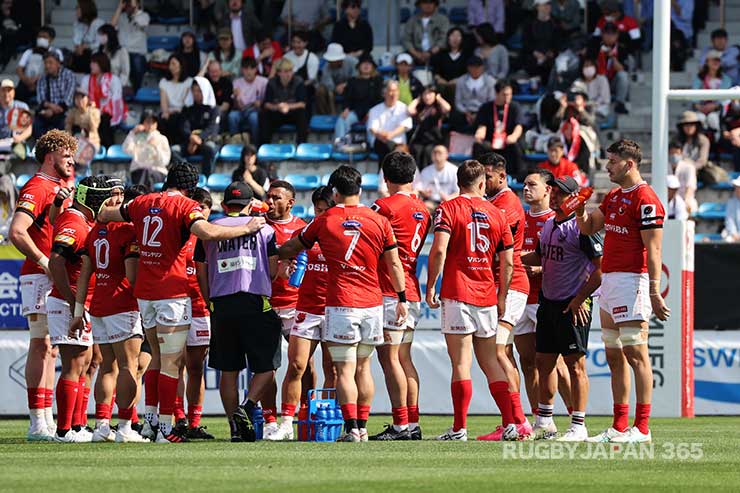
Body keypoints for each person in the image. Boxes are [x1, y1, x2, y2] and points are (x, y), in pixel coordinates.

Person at [97, 162, 267, 443]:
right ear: (189, 187)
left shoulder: (142, 201)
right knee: (171, 364)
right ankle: (166, 428)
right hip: (172, 292)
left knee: (154, 360)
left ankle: (150, 422)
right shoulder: (186, 206)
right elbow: (207, 233)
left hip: (145, 293)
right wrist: (247, 228)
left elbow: (105, 214)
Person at [278, 165, 407, 443]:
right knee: (364, 368)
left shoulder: (326, 219)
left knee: (345, 369)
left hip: (342, 303)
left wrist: (278, 251)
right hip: (372, 303)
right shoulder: (378, 220)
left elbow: (293, 246)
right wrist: (402, 297)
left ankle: (352, 429)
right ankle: (363, 423)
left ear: (334, 193)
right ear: (360, 190)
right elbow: (394, 262)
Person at [576, 139, 670, 444]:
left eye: (612, 161)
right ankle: (618, 426)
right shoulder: (615, 196)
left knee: (636, 354)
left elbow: (654, 251)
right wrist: (579, 210)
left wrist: (655, 292)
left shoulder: (646, 199)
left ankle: (642, 428)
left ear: (629, 164)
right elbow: (589, 228)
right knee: (614, 356)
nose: (607, 167)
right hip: (611, 282)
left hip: (633, 282)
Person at [426, 159, 516, 441]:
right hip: (486, 295)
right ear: (481, 184)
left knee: (461, 364)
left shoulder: (448, 208)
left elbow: (439, 250)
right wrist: (502, 296)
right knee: (491, 361)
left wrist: (431, 284)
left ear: (457, 182)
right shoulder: (497, 213)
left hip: (457, 293)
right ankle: (511, 423)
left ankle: (459, 429)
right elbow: (509, 262)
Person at [193, 181, 280, 442]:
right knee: (267, 365)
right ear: (250, 204)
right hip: (255, 301)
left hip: (222, 304)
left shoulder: (209, 229)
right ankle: (249, 405)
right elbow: (274, 270)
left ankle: (234, 427)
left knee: (228, 370)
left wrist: (211, 300)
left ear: (223, 205)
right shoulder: (264, 229)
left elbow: (200, 270)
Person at [525, 175, 603, 442]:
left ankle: (578, 425)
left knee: (575, 365)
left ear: (573, 197)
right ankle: (545, 421)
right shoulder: (548, 224)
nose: (555, 195)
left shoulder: (581, 228)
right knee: (543, 362)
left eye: (561, 192)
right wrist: (509, 257)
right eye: (554, 191)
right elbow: (540, 254)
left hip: (572, 303)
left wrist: (580, 298)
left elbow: (600, 270)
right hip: (548, 300)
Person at [9, 129, 76, 441]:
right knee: (41, 345)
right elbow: (17, 231)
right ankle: (37, 422)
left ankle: (46, 419)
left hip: (51, 275)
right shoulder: (37, 186)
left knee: (50, 349)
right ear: (51, 157)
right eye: (66, 156)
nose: (71, 162)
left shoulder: (57, 186)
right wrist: (45, 261)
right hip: (39, 275)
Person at [71, 179, 148, 443]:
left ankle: (102, 426)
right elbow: (131, 274)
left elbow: (85, 274)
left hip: (99, 306)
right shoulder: (128, 230)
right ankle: (125, 427)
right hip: (122, 304)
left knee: (108, 369)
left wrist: (79, 310)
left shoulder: (95, 231)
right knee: (129, 366)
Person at [368, 153, 431, 441]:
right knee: (404, 358)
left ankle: (401, 425)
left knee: (389, 358)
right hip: (412, 288)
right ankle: (412, 422)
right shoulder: (424, 209)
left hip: (390, 290)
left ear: (385, 178)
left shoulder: (383, 206)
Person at [47, 176, 114, 443]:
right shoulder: (75, 222)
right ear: (96, 199)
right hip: (67, 301)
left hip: (79, 302)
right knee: (74, 364)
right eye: (107, 197)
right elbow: (55, 260)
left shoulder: (82, 219)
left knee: (87, 361)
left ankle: (77, 425)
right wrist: (71, 297)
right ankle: (64, 430)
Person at [267, 186, 335, 441]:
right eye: (317, 210)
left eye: (325, 210)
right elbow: (284, 266)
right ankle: (287, 422)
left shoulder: (342, 235)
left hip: (334, 308)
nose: (320, 215)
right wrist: (286, 269)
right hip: (305, 307)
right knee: (296, 364)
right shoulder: (304, 233)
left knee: (333, 369)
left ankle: (321, 417)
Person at [481, 152, 532, 440]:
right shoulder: (494, 203)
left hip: (511, 285)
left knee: (497, 352)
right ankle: (510, 421)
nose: (483, 181)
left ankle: (520, 421)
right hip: (501, 285)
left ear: (501, 176)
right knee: (505, 353)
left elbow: (501, 248)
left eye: (488, 176)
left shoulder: (508, 204)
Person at [516, 169, 573, 421]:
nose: (526, 189)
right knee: (528, 362)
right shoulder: (518, 219)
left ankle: (576, 419)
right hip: (520, 298)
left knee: (557, 366)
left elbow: (571, 261)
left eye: (532, 184)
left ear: (548, 189)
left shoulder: (556, 220)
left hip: (546, 298)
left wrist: (541, 268)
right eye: (524, 184)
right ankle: (540, 420)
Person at [175, 187, 214, 440]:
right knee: (175, 365)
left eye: (204, 208)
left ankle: (194, 422)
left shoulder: (212, 239)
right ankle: (178, 419)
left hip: (201, 308)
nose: (199, 212)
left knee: (196, 367)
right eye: (196, 207)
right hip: (176, 304)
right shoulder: (177, 233)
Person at [473, 80, 525, 180]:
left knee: (516, 146)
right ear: (496, 93)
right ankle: (479, 173)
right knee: (478, 145)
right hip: (491, 142)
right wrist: (479, 133)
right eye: (504, 94)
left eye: (509, 94)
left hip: (507, 141)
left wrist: (514, 136)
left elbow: (519, 126)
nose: (507, 97)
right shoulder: (486, 107)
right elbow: (482, 126)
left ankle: (517, 176)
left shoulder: (514, 107)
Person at [172, 77, 219, 177]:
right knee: (174, 150)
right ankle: (187, 175)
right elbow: (184, 127)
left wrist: (198, 139)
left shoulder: (213, 109)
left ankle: (207, 177)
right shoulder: (188, 108)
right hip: (189, 142)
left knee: (210, 148)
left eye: (199, 90)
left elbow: (212, 129)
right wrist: (191, 138)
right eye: (193, 90)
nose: (195, 93)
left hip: (205, 141)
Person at [333, 54, 384, 141]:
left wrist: (373, 112)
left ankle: (373, 147)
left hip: (373, 112)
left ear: (372, 67)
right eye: (363, 63)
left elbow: (380, 99)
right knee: (341, 120)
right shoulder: (352, 81)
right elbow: (347, 97)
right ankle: (340, 144)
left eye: (369, 64)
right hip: (356, 111)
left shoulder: (378, 80)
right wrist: (346, 108)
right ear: (359, 66)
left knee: (374, 124)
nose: (366, 66)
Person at [83, 52, 127, 148]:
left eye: (94, 63)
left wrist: (102, 110)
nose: (91, 65)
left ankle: (106, 147)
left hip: (111, 112)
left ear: (102, 63)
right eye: (91, 62)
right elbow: (84, 98)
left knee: (104, 119)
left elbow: (116, 99)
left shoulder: (114, 79)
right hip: (92, 111)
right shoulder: (86, 79)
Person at [261, 58, 309, 144]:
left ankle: (301, 144)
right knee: (265, 114)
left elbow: (302, 104)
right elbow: (267, 103)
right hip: (277, 113)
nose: (289, 74)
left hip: (293, 112)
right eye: (286, 71)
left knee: (302, 113)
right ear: (279, 72)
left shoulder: (298, 81)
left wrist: (287, 106)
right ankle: (264, 145)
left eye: (290, 71)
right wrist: (278, 107)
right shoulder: (271, 83)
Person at [588, 21, 630, 115]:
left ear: (617, 35)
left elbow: (622, 69)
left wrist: (612, 57)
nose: (609, 37)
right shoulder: (594, 46)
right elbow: (588, 65)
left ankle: (620, 103)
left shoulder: (621, 49)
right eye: (607, 33)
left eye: (612, 34)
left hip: (613, 82)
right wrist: (601, 55)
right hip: (597, 81)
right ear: (602, 34)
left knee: (623, 75)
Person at [367, 80, 413, 165]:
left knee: (397, 149)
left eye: (395, 91)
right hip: (380, 140)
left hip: (398, 142)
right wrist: (381, 135)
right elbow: (372, 129)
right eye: (390, 90)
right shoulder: (375, 110)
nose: (393, 94)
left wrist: (390, 135)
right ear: (384, 93)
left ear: (398, 93)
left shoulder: (404, 108)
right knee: (385, 146)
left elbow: (404, 126)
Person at [123, 109, 171, 189]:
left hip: (157, 172)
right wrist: (132, 132)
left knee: (148, 174)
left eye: (153, 122)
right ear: (142, 123)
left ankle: (140, 197)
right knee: (145, 173)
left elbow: (165, 161)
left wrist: (156, 147)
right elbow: (126, 150)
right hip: (139, 171)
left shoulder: (162, 139)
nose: (151, 125)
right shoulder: (136, 137)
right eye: (148, 122)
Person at [15, 26, 63, 104]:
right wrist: (26, 80)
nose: (41, 39)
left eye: (44, 37)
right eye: (39, 36)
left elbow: (56, 70)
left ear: (51, 39)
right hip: (27, 81)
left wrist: (36, 80)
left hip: (45, 83)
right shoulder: (29, 51)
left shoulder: (56, 52)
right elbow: (19, 69)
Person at [33, 51, 76, 139]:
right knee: (36, 124)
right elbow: (41, 100)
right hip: (47, 110)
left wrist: (53, 111)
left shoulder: (69, 75)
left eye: (50, 62)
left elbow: (68, 100)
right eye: (45, 63)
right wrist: (49, 107)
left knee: (63, 123)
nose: (47, 65)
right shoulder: (42, 78)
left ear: (58, 63)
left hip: (64, 111)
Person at [450, 56, 496, 133]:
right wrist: (466, 112)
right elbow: (458, 102)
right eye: (472, 67)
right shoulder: (461, 81)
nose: (475, 70)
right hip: (465, 111)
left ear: (482, 68)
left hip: (483, 111)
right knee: (455, 117)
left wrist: (479, 113)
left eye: (478, 67)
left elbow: (491, 100)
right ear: (468, 68)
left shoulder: (490, 81)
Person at [111, 0, 150, 91]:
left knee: (137, 62)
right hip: (121, 52)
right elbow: (110, 28)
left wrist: (133, 7)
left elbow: (139, 23)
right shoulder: (121, 17)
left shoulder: (144, 16)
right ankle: (119, 91)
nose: (128, 4)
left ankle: (136, 91)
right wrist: (119, 8)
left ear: (138, 3)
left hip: (136, 53)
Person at [408, 86, 450, 168]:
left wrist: (439, 98)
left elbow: (447, 108)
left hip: (434, 139)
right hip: (420, 139)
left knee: (428, 151)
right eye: (425, 94)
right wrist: (418, 99)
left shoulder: (438, 109)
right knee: (417, 150)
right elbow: (410, 110)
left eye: (430, 94)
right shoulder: (420, 108)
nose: (427, 97)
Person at [229, 56, 268, 142]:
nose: (249, 72)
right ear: (242, 70)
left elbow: (267, 100)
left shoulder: (264, 81)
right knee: (232, 116)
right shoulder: (236, 82)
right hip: (241, 110)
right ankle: (235, 143)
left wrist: (261, 102)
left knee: (253, 117)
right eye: (246, 69)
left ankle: (256, 143)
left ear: (256, 69)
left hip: (256, 110)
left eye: (252, 68)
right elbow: (236, 106)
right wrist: (236, 98)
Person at [692, 50, 733, 131]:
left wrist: (715, 106)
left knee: (713, 119)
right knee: (700, 119)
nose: (716, 62)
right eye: (713, 60)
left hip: (718, 110)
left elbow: (726, 99)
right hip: (700, 108)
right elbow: (694, 97)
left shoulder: (726, 80)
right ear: (707, 62)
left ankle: (716, 140)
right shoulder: (699, 78)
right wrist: (699, 107)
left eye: (718, 60)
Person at [521, 0, 560, 82]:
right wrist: (535, 52)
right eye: (544, 5)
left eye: (548, 4)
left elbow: (558, 42)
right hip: (533, 56)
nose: (547, 7)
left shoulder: (555, 22)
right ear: (537, 7)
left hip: (549, 58)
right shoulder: (529, 23)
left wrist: (552, 52)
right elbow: (526, 42)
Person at [65, 86, 101, 172]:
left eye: (82, 97)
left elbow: (94, 128)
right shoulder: (73, 112)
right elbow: (68, 126)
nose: (79, 100)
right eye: (77, 98)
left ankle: (84, 175)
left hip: (92, 142)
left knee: (84, 153)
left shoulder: (94, 112)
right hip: (77, 141)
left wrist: (90, 112)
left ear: (87, 99)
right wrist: (70, 139)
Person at [402, 0, 449, 66]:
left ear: (435, 5)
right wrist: (416, 54)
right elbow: (406, 40)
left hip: (436, 53)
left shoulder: (443, 20)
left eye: (431, 2)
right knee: (401, 59)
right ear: (419, 5)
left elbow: (443, 39)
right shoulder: (412, 20)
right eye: (424, 2)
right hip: (415, 53)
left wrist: (430, 53)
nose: (428, 5)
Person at [159, 54, 193, 142]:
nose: (171, 67)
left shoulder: (189, 82)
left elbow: (186, 102)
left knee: (176, 118)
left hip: (183, 111)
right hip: (169, 112)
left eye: (173, 64)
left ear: (181, 65)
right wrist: (166, 112)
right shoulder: (164, 82)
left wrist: (177, 110)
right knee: (162, 118)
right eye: (170, 64)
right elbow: (164, 103)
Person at [316, 43, 356, 115]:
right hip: (334, 88)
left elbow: (357, 76)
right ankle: (325, 115)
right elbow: (327, 82)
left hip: (351, 86)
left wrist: (346, 85)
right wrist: (336, 88)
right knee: (320, 91)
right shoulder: (326, 67)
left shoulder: (353, 62)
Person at [431, 27, 469, 103]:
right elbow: (436, 71)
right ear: (448, 38)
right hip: (443, 84)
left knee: (454, 88)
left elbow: (468, 72)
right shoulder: (441, 54)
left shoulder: (467, 55)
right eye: (452, 35)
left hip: (459, 84)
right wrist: (439, 79)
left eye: (458, 36)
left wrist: (458, 80)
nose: (455, 38)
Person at [416, 145, 459, 211]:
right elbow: (419, 189)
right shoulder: (426, 171)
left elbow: (459, 191)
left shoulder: (454, 170)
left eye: (439, 153)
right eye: (434, 152)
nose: (436, 155)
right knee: (424, 208)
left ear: (446, 155)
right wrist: (424, 193)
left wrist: (449, 198)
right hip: (431, 202)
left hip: (449, 201)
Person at [70, 0, 105, 73]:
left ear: (86, 8)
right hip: (82, 54)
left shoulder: (99, 23)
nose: (76, 11)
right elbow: (76, 40)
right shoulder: (77, 23)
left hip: (95, 54)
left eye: (78, 8)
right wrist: (78, 47)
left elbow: (99, 43)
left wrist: (85, 46)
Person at [0, 80, 32, 159]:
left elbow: (29, 130)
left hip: (17, 143)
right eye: (3, 90)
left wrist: (19, 138)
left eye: (9, 90)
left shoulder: (22, 107)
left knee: (20, 153)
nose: (6, 93)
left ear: (14, 92)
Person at [668, 139, 698, 214]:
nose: (674, 155)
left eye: (677, 153)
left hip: (685, 200)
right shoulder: (663, 167)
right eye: (672, 153)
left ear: (681, 153)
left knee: (689, 207)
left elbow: (690, 186)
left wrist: (686, 201)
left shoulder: (689, 167)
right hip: (669, 201)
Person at [97, 24, 131, 90]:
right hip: (102, 85)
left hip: (119, 85)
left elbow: (125, 73)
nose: (99, 37)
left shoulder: (122, 51)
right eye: (99, 35)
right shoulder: (98, 51)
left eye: (102, 34)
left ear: (109, 35)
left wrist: (117, 85)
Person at [203, 60, 232, 132]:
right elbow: (196, 80)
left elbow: (226, 106)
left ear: (221, 71)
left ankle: (214, 138)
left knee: (217, 115)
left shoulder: (226, 82)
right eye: (212, 72)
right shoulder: (205, 81)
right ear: (208, 72)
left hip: (220, 111)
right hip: (205, 109)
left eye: (216, 71)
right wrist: (205, 66)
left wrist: (213, 111)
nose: (214, 74)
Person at [723, 177, 740, 241]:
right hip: (735, 236)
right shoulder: (731, 202)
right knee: (728, 239)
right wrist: (734, 234)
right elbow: (729, 220)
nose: (737, 189)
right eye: (736, 187)